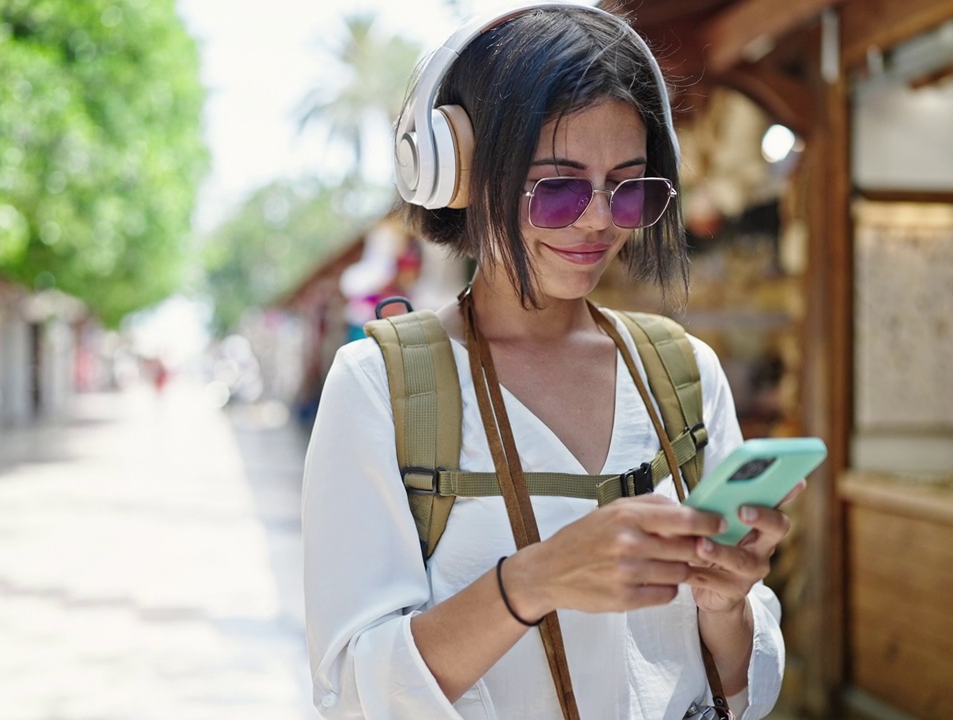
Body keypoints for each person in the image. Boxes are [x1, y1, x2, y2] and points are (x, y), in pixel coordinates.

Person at [302, 4, 797, 719]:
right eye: (559, 187)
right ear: (462, 175)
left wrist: (727, 605)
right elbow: (356, 691)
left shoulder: (682, 372)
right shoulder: (381, 387)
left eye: (628, 188)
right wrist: (532, 582)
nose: (598, 219)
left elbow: (734, 689)